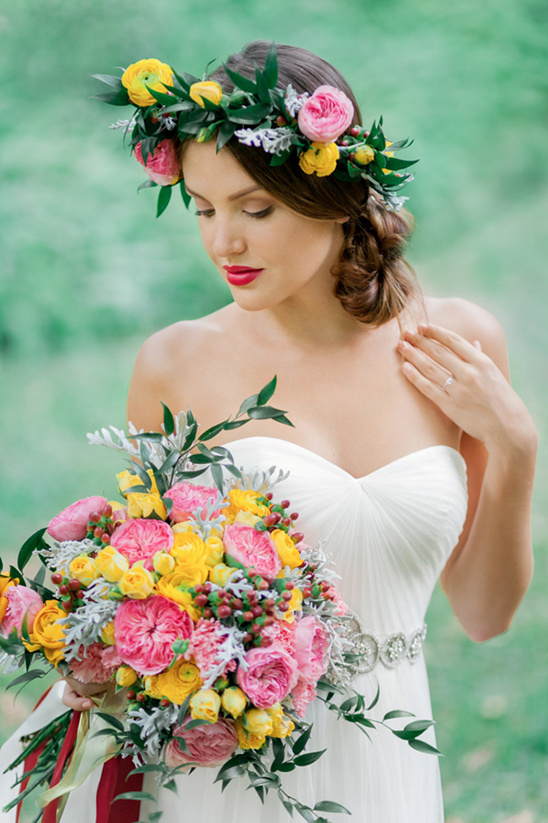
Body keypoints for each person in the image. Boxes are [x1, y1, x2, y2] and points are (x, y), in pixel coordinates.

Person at [7, 40, 537, 823]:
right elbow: (148, 598)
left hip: (390, 759)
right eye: (204, 208)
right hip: (228, 775)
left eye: (256, 209)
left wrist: (518, 449)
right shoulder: (176, 364)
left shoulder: (454, 348)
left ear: (335, 192)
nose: (225, 242)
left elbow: (485, 617)